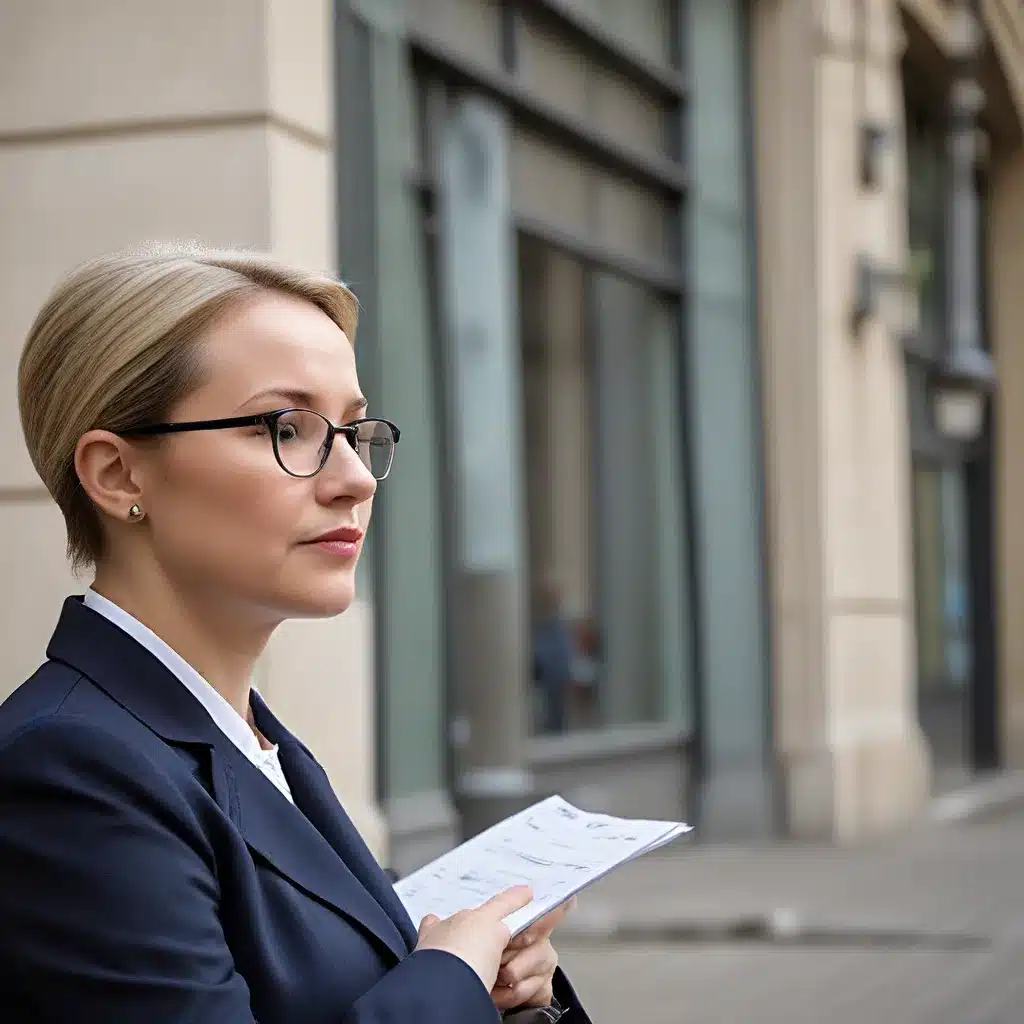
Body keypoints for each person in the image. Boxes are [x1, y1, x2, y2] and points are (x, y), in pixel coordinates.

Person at [0, 245, 592, 1024]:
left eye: (353, 431)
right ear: (118, 475)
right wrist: (446, 980)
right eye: (288, 427)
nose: (351, 478)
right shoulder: (69, 769)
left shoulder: (254, 745)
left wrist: (507, 991)